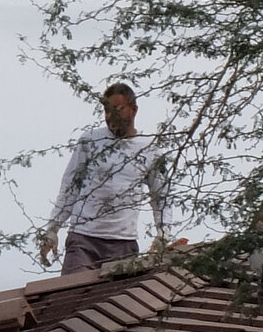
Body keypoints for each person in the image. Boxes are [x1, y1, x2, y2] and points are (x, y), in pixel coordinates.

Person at [41, 82, 170, 274]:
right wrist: (52, 229)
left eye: (117, 110)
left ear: (133, 110)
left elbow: (161, 196)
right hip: (84, 238)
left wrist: (163, 234)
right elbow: (70, 187)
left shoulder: (149, 148)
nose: (111, 117)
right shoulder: (90, 141)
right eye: (107, 111)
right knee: (71, 294)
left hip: (123, 243)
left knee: (115, 302)